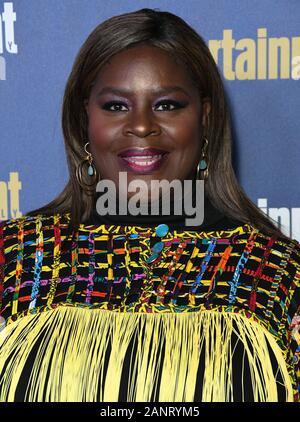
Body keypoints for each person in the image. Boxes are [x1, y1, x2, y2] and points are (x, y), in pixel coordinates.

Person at [0, 8, 299, 403]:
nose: (141, 126)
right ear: (83, 118)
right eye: (116, 106)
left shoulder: (276, 274)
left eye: (167, 105)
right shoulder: (16, 259)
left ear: (205, 119)